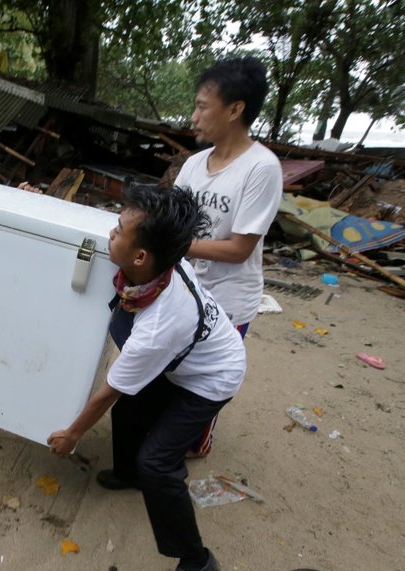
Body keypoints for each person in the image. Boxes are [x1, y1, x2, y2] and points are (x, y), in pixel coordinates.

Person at [47, 184, 246, 571]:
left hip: (211, 377)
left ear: (141, 257)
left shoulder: (159, 324)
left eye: (118, 230)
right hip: (184, 356)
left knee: (157, 462)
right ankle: (127, 472)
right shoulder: (153, 269)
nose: (110, 233)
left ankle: (196, 561)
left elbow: (107, 391)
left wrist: (72, 435)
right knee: (133, 409)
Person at [174, 56, 283, 458]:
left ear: (235, 109)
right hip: (186, 288)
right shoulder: (192, 165)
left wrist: (175, 243)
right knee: (174, 366)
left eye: (203, 106)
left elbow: (239, 250)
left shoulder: (261, 168)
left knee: (206, 377)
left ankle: (198, 439)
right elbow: (172, 217)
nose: (194, 116)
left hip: (228, 299)